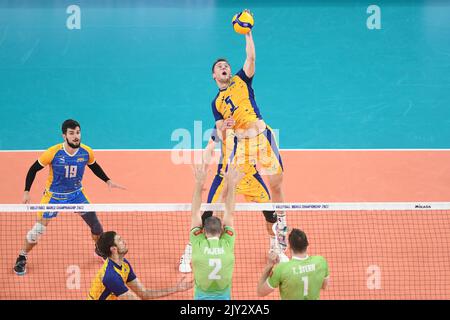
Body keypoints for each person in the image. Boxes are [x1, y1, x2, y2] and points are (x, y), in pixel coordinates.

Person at [210, 10, 288, 255]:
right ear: (214, 75)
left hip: (262, 137)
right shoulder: (216, 102)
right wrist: (225, 126)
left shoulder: (242, 79)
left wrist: (248, 34)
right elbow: (219, 127)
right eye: (219, 67)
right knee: (229, 187)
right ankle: (213, 242)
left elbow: (251, 58)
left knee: (276, 181)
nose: (224, 67)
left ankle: (281, 219)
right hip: (241, 144)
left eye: (226, 65)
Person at [13, 119, 125, 276]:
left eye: (78, 133)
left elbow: (94, 166)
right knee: (37, 230)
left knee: (97, 226)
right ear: (64, 136)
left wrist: (108, 180)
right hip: (54, 197)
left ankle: (99, 250)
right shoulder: (53, 152)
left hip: (76, 195)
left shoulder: (86, 152)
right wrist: (26, 191)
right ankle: (22, 256)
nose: (76, 136)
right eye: (71, 133)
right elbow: (33, 169)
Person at [179, 128, 287, 273]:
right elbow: (210, 146)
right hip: (225, 177)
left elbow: (270, 151)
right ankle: (188, 254)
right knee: (207, 217)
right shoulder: (223, 124)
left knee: (270, 215)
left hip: (249, 177)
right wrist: (204, 169)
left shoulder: (259, 128)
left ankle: (276, 249)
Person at [189, 162, 242, 300]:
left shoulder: (198, 243)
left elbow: (195, 212)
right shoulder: (227, 243)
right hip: (223, 296)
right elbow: (230, 212)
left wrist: (199, 183)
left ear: (204, 232)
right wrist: (232, 184)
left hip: (201, 296)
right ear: (222, 231)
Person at [88, 231, 193, 300]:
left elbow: (144, 293)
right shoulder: (111, 276)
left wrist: (176, 288)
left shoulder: (124, 265)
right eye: (119, 240)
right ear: (113, 249)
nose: (124, 241)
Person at [257, 228, 329, 300]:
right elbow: (324, 286)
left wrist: (269, 265)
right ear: (307, 244)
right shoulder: (321, 261)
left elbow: (260, 292)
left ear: (290, 247)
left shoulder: (281, 269)